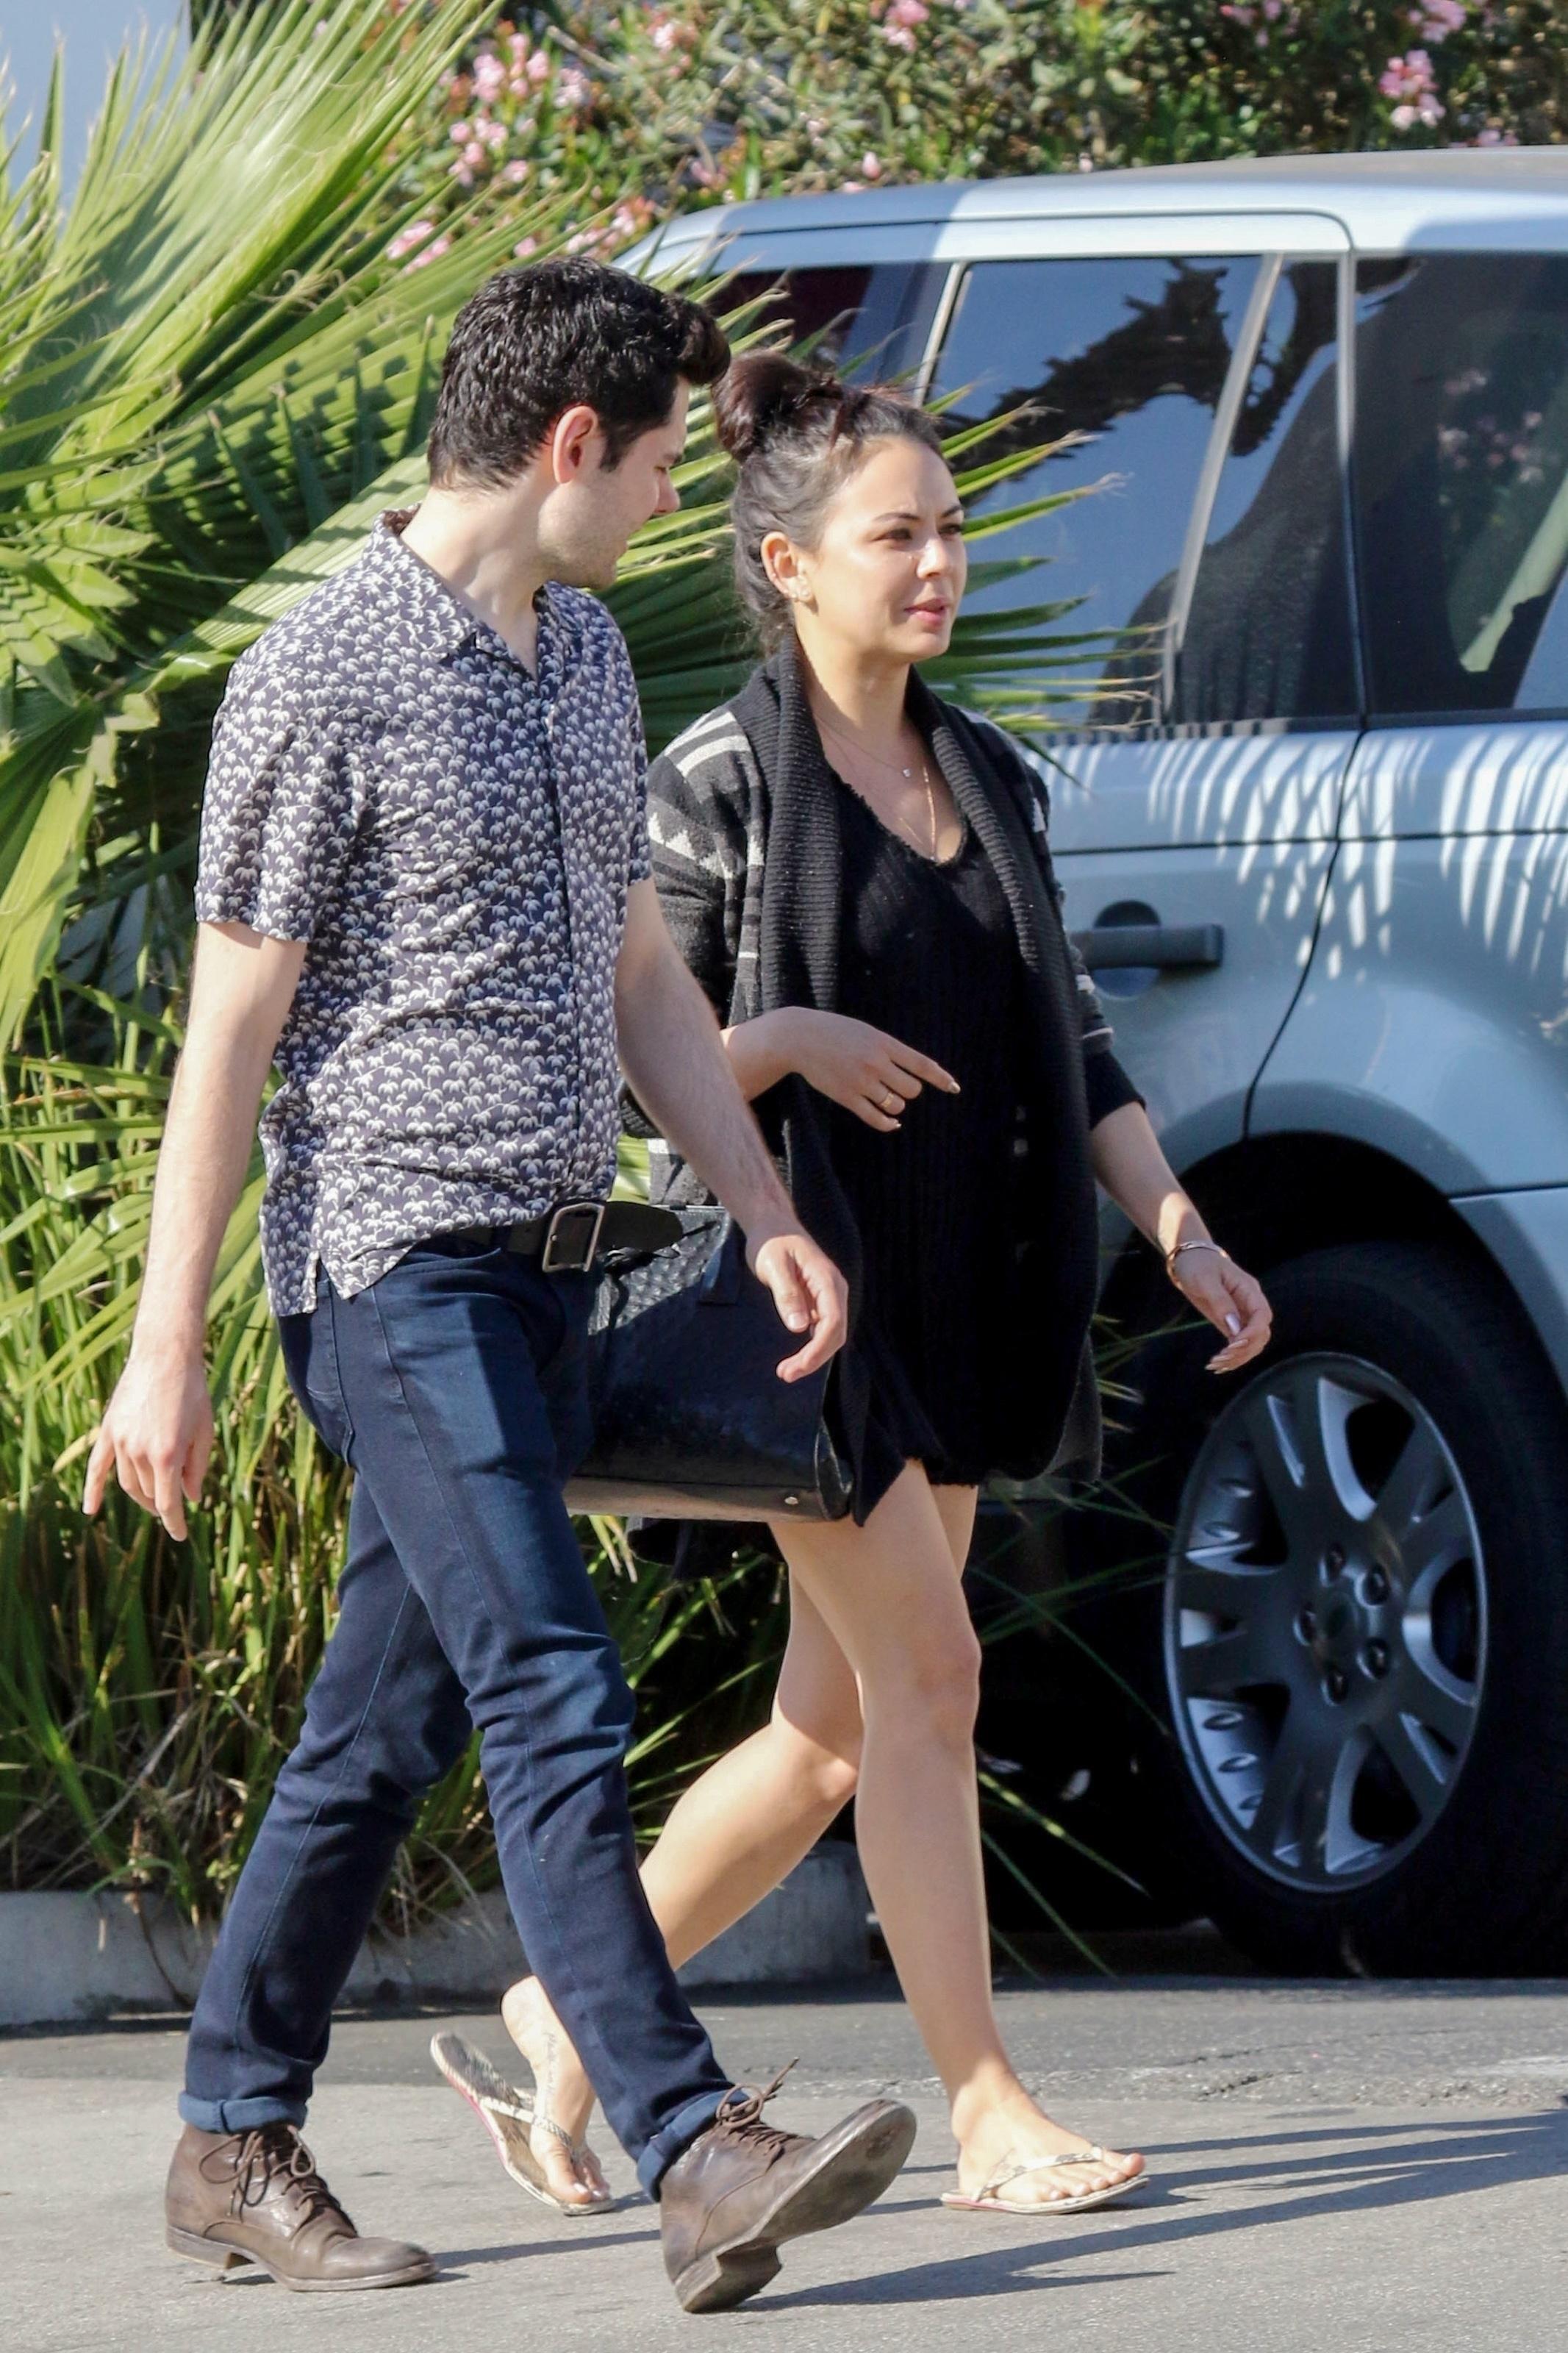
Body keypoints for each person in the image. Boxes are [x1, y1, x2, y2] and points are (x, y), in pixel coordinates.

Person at [82, 270, 919, 2313]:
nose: (666, 501)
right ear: (567, 448)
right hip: (390, 1271)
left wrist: (757, 1205)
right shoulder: (321, 675)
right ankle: (690, 2144)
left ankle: (228, 2133)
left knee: (380, 1733)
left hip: (548, 1272)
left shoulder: (586, 654)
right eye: (655, 464)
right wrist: (166, 1345)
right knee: (548, 1676)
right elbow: (230, 1029)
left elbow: (639, 971)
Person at [438, 351, 1274, 2222]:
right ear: (787, 562)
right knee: (931, 1675)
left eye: (948, 529)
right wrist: (791, 1039)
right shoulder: (717, 779)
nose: (939, 563)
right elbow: (617, 1064)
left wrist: (1178, 1230)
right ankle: (985, 2106)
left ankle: (563, 2013)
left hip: (963, 1295)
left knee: (831, 1734)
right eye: (898, 535)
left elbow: (1073, 1044)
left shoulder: (986, 774)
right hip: (798, 1302)